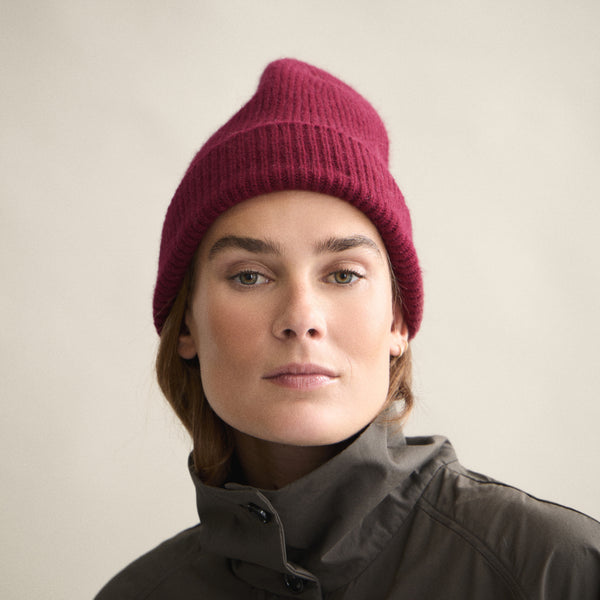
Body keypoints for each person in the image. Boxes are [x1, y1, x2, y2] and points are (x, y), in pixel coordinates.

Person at [96, 58, 600, 599]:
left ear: (398, 321)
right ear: (186, 325)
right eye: (249, 276)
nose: (301, 318)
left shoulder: (553, 571)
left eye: (343, 275)